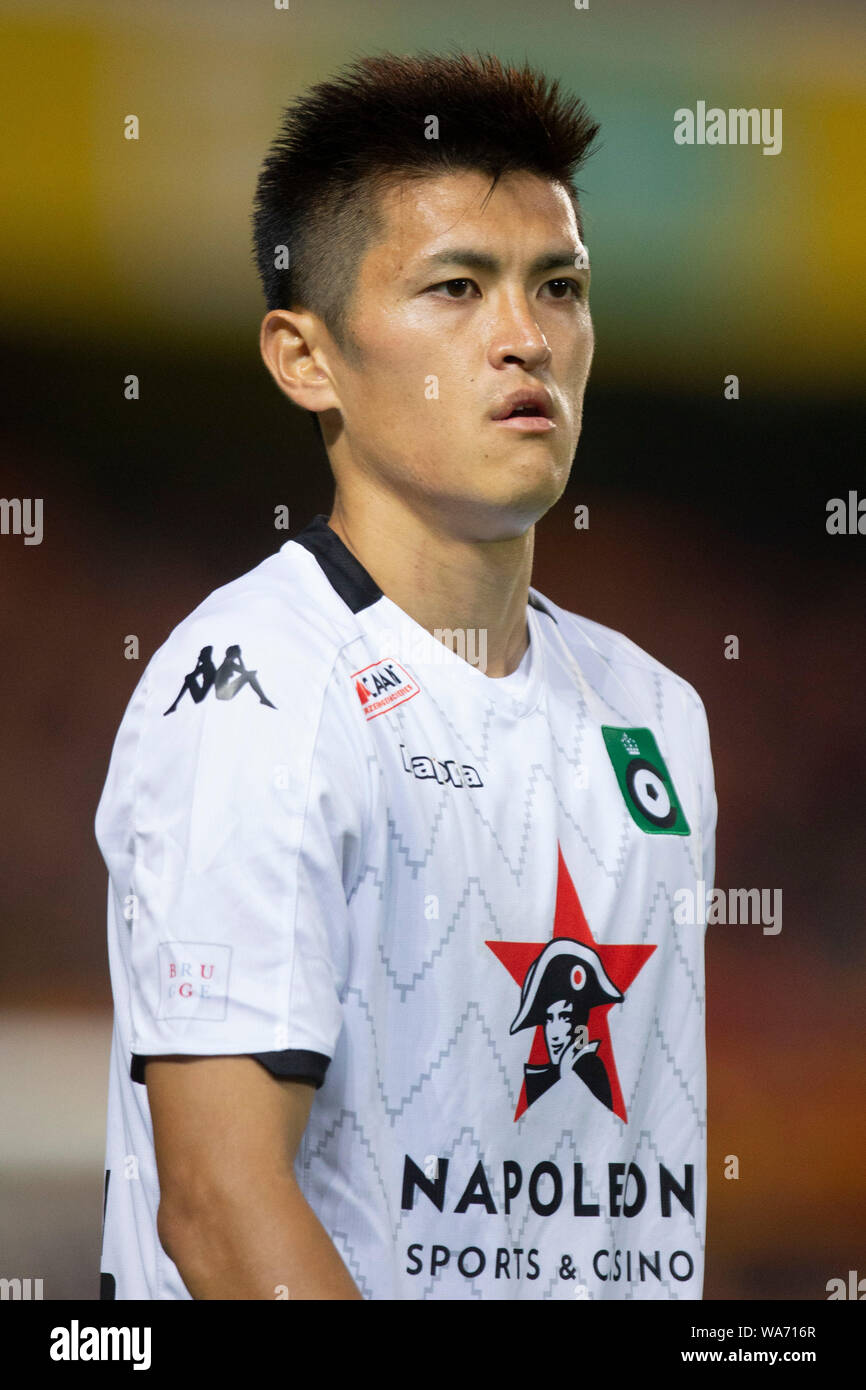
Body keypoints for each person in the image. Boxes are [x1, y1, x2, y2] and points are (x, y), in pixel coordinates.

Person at [95, 50, 717, 1301]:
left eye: (559, 286)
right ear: (304, 359)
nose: (525, 339)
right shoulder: (254, 690)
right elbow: (218, 1212)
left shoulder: (655, 713)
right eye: (456, 287)